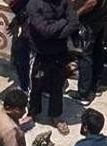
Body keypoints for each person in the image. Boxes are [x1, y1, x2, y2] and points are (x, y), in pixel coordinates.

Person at [26, 0, 77, 135]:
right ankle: (32, 112)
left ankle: (56, 115)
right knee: (35, 85)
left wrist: (54, 35)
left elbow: (73, 23)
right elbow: (44, 31)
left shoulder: (64, 2)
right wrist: (63, 22)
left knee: (58, 86)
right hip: (39, 52)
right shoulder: (33, 4)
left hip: (60, 52)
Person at [71, 0, 107, 104]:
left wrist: (76, 14)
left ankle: (84, 94)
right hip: (99, 19)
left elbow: (91, 2)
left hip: (89, 22)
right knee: (96, 53)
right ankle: (93, 87)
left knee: (84, 56)